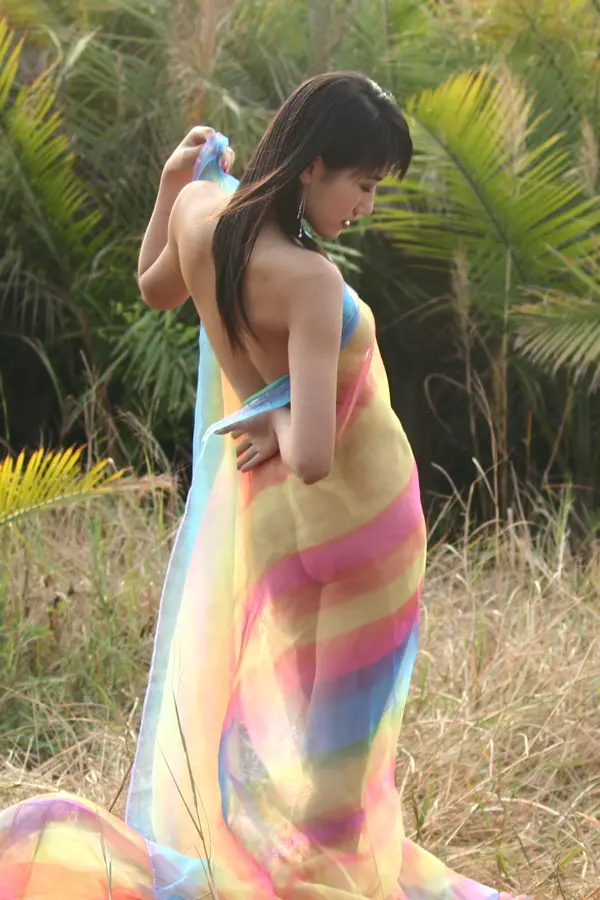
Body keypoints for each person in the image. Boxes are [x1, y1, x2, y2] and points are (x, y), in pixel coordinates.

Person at [0, 73, 527, 900]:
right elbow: (313, 452)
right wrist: (277, 417)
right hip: (363, 539)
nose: (367, 206)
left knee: (295, 742)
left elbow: (154, 287)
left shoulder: (200, 213)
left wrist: (171, 185)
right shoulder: (309, 281)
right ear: (313, 165)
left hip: (278, 529)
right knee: (337, 775)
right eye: (363, 184)